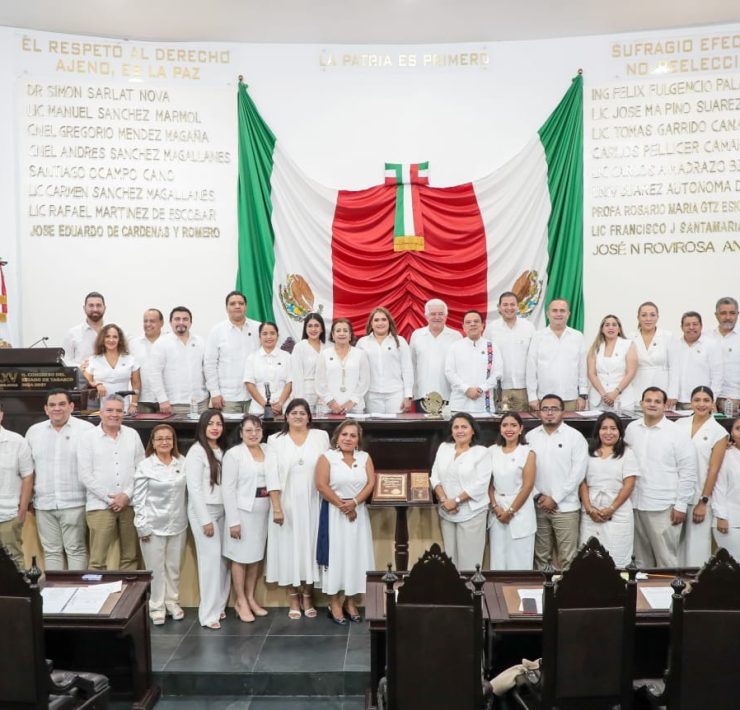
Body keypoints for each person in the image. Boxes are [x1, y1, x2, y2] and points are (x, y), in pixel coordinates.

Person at [266, 398, 330, 619]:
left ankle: (308, 595)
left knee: (311, 548)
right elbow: (271, 475)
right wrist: (276, 507)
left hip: (314, 501)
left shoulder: (321, 437)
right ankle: (293, 597)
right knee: (289, 549)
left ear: (309, 416)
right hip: (286, 503)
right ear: (286, 416)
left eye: (302, 413)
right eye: (293, 412)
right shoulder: (275, 440)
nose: (298, 416)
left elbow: (328, 467)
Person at [624, 387, 697, 568]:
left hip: (664, 506)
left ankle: (669, 596)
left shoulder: (676, 433)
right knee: (640, 562)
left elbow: (688, 471)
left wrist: (681, 505)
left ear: (665, 406)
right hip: (634, 504)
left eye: (657, 401)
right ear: (641, 404)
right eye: (648, 400)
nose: (652, 405)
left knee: (666, 561)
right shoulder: (632, 429)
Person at [25, 389, 94, 570]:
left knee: (76, 549)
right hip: (44, 504)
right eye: (52, 405)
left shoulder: (87, 431)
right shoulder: (34, 432)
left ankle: (77, 595)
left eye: (62, 404)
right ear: (46, 409)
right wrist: (28, 499)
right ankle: (55, 595)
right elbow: (27, 470)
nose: (57, 408)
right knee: (51, 552)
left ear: (71, 406)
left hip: (75, 502)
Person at [315, 419, 375, 625]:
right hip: (334, 515)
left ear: (358, 440)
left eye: (353, 435)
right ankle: (334, 603)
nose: (348, 438)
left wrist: (355, 503)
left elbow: (371, 482)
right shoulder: (327, 457)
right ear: (337, 437)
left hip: (358, 515)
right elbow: (321, 486)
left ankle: (350, 602)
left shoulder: (364, 457)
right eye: (344, 435)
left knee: (356, 557)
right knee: (337, 557)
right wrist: (344, 506)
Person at [222, 415, 281, 622]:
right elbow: (227, 490)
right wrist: (233, 521)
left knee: (255, 557)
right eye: (248, 430)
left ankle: (250, 597)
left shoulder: (268, 450)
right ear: (241, 433)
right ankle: (240, 601)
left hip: (262, 509)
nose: (253, 434)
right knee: (240, 557)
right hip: (242, 511)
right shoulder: (234, 455)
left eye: (257, 429)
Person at [77, 394, 145, 570]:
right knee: (97, 560)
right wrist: (110, 499)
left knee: (130, 556)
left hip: (129, 504)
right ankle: (96, 596)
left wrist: (126, 496)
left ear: (123, 413)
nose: (114, 414)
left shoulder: (133, 435)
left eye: (118, 411)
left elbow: (141, 470)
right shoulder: (87, 437)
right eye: (109, 410)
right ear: (101, 412)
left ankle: (128, 596)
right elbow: (85, 474)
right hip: (99, 506)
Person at [133, 425, 187, 625]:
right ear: (153, 443)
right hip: (152, 526)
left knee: (173, 567)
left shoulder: (182, 462)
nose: (165, 442)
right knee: (155, 568)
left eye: (168, 438)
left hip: (178, 524)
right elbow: (138, 499)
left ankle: (172, 602)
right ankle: (156, 606)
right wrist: (142, 526)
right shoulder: (145, 465)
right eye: (160, 439)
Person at [527, 394, 589, 569]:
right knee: (540, 558)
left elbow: (578, 473)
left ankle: (565, 596)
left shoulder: (575, 437)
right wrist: (538, 496)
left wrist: (555, 498)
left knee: (568, 559)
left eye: (554, 409)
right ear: (539, 412)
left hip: (566, 507)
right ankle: (542, 595)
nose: (549, 413)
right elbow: (523, 473)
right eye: (545, 409)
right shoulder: (530, 437)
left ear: (563, 412)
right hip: (538, 506)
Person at [185, 409, 231, 630]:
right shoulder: (196, 451)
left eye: (219, 424)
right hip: (204, 513)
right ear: (202, 426)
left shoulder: (222, 449)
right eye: (211, 423)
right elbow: (193, 488)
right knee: (210, 562)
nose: (215, 427)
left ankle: (220, 606)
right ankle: (208, 614)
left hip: (223, 511)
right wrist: (205, 520)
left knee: (223, 561)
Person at [675, 386, 728, 566]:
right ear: (691, 402)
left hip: (699, 498)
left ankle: (694, 593)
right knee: (674, 551)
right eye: (697, 400)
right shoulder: (679, 425)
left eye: (706, 400)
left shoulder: (719, 432)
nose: (701, 404)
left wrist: (703, 502)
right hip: (675, 497)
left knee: (695, 554)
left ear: (713, 404)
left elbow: (714, 469)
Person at [430, 413, 491, 569]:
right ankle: (455, 593)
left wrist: (456, 501)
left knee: (470, 562)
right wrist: (444, 500)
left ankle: (472, 593)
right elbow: (435, 476)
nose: (460, 431)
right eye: (456, 427)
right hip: (447, 511)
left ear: (473, 431)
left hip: (472, 513)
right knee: (450, 560)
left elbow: (481, 484)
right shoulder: (444, 448)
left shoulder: (482, 452)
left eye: (464, 427)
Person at [579, 413, 639, 567]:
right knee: (589, 558)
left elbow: (629, 484)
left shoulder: (627, 453)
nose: (608, 432)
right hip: (590, 511)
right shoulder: (587, 452)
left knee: (616, 557)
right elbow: (582, 482)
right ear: (598, 431)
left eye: (613, 428)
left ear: (620, 431)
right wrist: (589, 508)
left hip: (618, 512)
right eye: (604, 428)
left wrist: (611, 508)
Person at [488, 412, 536, 569]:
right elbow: (488, 484)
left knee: (519, 561)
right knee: (498, 560)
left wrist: (510, 511)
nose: (509, 429)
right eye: (505, 425)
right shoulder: (491, 451)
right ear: (500, 429)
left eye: (513, 425)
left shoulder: (528, 452)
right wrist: (495, 507)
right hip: (497, 509)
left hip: (520, 510)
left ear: (521, 429)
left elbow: (528, 486)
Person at [526, 298, 588, 412]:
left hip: (571, 399)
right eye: (554, 310)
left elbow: (582, 368)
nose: (558, 314)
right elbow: (531, 369)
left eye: (562, 311)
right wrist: (532, 396)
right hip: (544, 400)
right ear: (548, 314)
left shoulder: (577, 337)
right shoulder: (538, 336)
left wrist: (583, 395)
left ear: (568, 314)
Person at [204, 291, 261, 414]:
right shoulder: (217, 331)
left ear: (246, 306)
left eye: (241, 303)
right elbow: (209, 364)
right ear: (227, 308)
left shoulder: (258, 328)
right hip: (227, 398)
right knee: (231, 432)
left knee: (255, 432)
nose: (237, 306)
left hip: (255, 396)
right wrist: (215, 393)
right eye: (233, 303)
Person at [150, 306, 208, 416]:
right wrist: (162, 399)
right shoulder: (161, 343)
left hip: (200, 403)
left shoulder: (201, 342)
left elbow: (207, 369)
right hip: (173, 404)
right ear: (170, 322)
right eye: (177, 319)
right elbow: (154, 374)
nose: (181, 322)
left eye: (185, 319)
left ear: (190, 322)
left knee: (199, 433)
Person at [357, 307, 414, 413]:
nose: (380, 323)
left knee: (396, 428)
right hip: (371, 395)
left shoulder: (400, 341)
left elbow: (407, 370)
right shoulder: (362, 343)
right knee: (375, 428)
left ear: (389, 322)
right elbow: (358, 372)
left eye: (384, 319)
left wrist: (408, 396)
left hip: (396, 394)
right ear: (371, 323)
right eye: (376, 320)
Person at [444, 310, 503, 413]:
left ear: (482, 325)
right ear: (463, 326)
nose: (472, 324)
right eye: (468, 322)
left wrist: (481, 389)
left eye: (476, 321)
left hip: (484, 404)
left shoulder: (492, 347)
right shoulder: (455, 347)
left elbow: (498, 373)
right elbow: (450, 372)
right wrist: (466, 389)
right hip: (459, 404)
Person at [409, 299, 461, 411]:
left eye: (441, 314)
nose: (437, 317)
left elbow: (461, 367)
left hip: (450, 395)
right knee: (423, 428)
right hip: (423, 395)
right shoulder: (417, 335)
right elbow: (411, 365)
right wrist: (410, 393)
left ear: (446, 316)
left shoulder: (456, 336)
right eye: (433, 314)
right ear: (426, 316)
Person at [487, 292, 535, 412]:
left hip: (524, 388)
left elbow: (534, 358)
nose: (509, 308)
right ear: (499, 307)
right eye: (505, 305)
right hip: (500, 388)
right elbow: (486, 358)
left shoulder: (529, 327)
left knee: (524, 425)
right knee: (501, 426)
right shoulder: (491, 329)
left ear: (518, 306)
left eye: (512, 304)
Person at [0, 401, 34, 569]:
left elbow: (28, 476)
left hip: (8, 514)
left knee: (14, 562)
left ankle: (21, 594)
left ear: (1, 415)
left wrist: (22, 508)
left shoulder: (17, 441)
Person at [667, 311, 722, 410]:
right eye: (687, 324)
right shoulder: (675, 345)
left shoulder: (711, 345)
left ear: (701, 326)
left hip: (701, 403)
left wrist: (712, 398)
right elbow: (673, 372)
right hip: (678, 402)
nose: (691, 327)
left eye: (695, 324)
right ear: (682, 327)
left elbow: (718, 375)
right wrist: (672, 394)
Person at [315, 318, 370, 415]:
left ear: (350, 335)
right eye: (338, 331)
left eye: (345, 331)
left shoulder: (360, 354)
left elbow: (364, 382)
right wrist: (331, 403)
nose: (342, 333)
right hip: (328, 408)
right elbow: (320, 382)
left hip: (355, 407)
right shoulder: (324, 354)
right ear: (333, 335)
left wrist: (351, 402)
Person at [84, 323, 141, 414]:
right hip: (100, 410)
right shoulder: (93, 360)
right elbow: (85, 382)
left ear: (120, 340)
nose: (111, 340)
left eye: (115, 337)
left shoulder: (130, 359)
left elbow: (136, 383)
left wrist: (134, 404)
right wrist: (97, 384)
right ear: (102, 339)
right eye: (107, 336)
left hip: (123, 408)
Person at [587, 314, 638, 412]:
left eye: (614, 325)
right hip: (598, 399)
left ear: (619, 329)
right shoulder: (595, 347)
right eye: (607, 325)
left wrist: (615, 393)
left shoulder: (628, 345)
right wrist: (604, 395)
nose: (611, 327)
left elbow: (631, 372)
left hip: (622, 399)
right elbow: (591, 373)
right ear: (602, 329)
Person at [244, 322, 292, 416]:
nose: (269, 337)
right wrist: (265, 405)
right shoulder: (252, 358)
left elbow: (289, 382)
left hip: (282, 409)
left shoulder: (287, 356)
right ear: (259, 336)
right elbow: (249, 384)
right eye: (265, 334)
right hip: (258, 410)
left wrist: (280, 404)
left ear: (277, 336)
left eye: (272, 333)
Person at [628, 301, 672, 404]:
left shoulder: (668, 336)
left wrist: (672, 393)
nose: (648, 319)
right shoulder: (630, 338)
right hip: (637, 386)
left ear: (657, 317)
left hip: (662, 385)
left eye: (652, 315)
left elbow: (675, 368)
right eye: (644, 315)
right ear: (638, 317)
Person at [712, 416, 740, 559]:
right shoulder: (726, 456)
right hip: (731, 521)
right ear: (732, 433)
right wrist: (721, 515)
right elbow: (719, 488)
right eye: (738, 428)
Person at [63, 291, 106, 382]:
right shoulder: (72, 333)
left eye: (98, 305)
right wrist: (79, 367)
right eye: (91, 305)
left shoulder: (114, 332)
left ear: (104, 308)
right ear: (84, 308)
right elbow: (66, 360)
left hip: (108, 382)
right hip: (83, 383)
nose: (95, 309)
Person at [129, 308, 165, 413]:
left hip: (166, 400)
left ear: (161, 323)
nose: (148, 324)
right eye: (145, 321)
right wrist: (133, 402)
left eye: (152, 321)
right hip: (142, 400)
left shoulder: (168, 342)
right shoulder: (134, 344)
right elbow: (132, 374)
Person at [289, 313, 327, 411]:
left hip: (325, 394)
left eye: (316, 326)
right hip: (306, 392)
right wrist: (300, 400)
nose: (313, 329)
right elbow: (296, 375)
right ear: (305, 329)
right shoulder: (299, 347)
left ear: (322, 328)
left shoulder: (328, 347)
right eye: (310, 326)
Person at [710, 296, 740, 415]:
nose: (728, 317)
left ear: (738, 314)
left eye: (732, 313)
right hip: (707, 399)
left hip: (734, 397)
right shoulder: (706, 337)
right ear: (716, 315)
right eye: (723, 313)